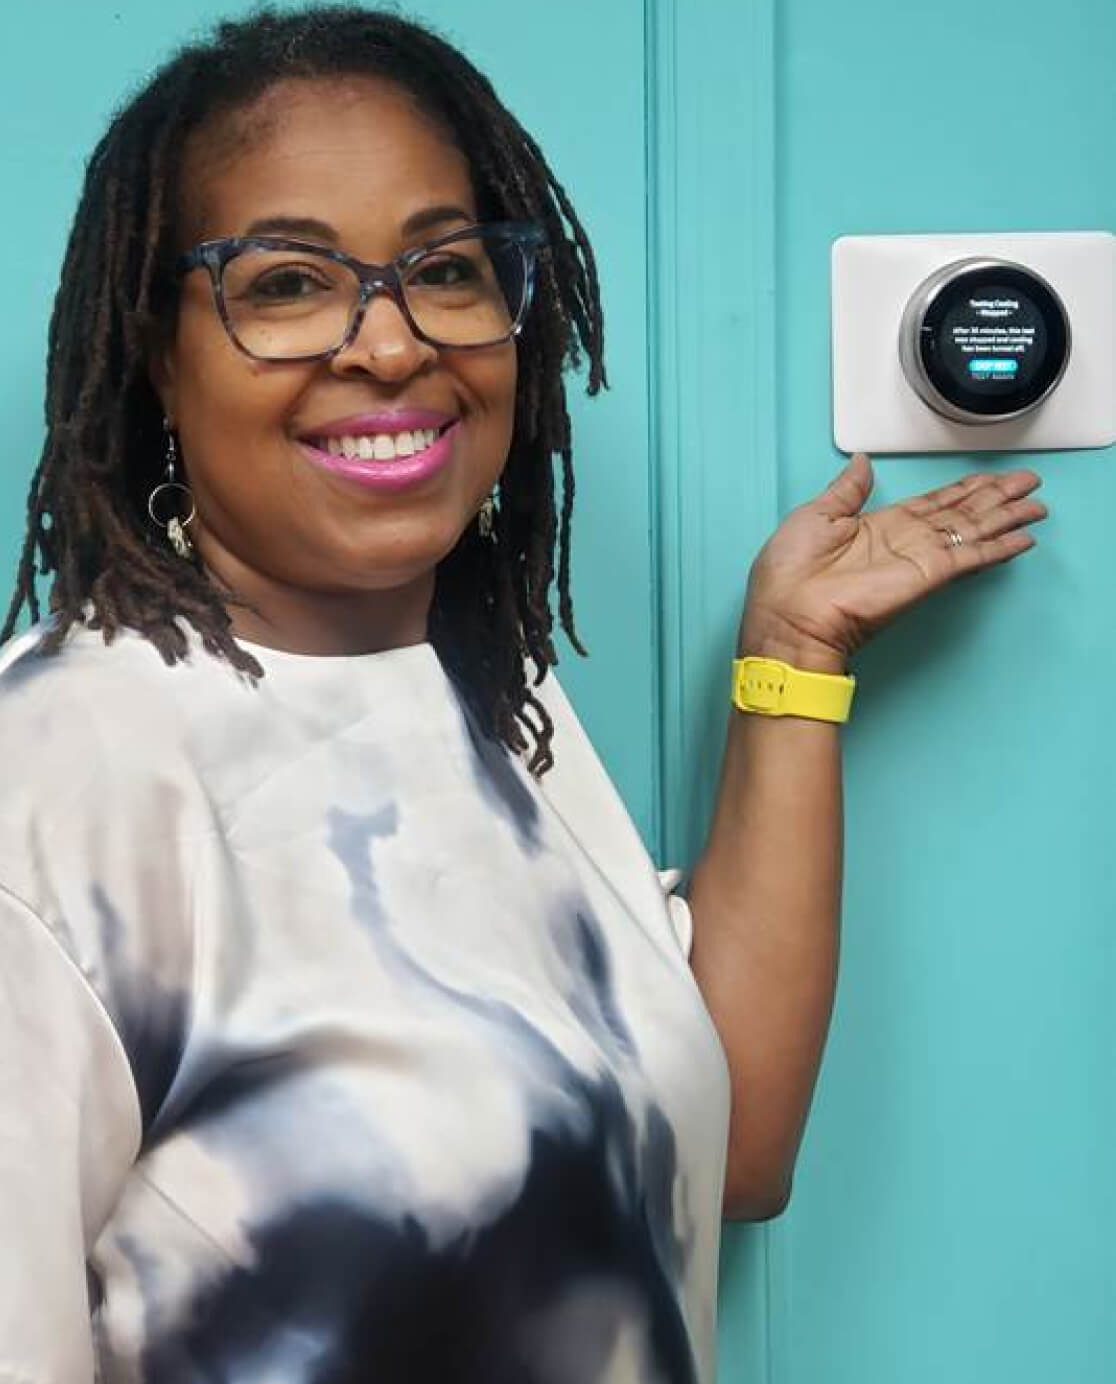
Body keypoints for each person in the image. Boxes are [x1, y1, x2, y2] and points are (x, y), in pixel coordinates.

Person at [0, 7, 1046, 1382]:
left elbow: (724, 1153)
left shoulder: (489, 696)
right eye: (288, 283)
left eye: (444, 267)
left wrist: (792, 666)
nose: (389, 345)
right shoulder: (66, 768)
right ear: (154, 350)